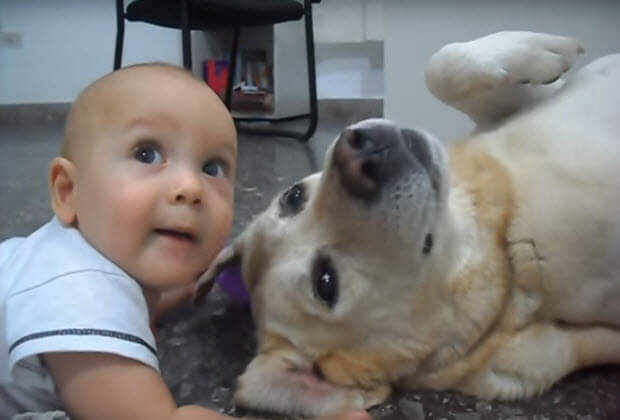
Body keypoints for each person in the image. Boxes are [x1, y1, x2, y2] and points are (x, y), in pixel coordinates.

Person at [0, 63, 371, 420]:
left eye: (212, 168)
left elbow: (136, 302)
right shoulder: (78, 296)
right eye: (147, 154)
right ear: (68, 192)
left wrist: (187, 287)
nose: (191, 188)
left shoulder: (88, 256)